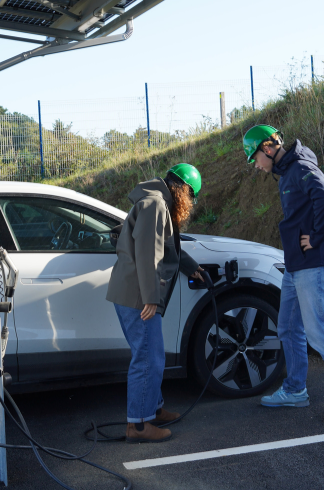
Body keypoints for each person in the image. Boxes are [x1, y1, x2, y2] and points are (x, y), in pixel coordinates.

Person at [242, 124, 324, 423]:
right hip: (296, 264)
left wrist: (317, 237)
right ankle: (295, 390)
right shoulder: (287, 172)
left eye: (255, 158)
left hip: (313, 262)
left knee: (318, 330)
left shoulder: (300, 168)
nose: (256, 165)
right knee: (287, 327)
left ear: (268, 148)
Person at [106, 163, 206, 443]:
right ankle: (138, 425)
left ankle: (153, 408)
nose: (190, 204)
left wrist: (191, 266)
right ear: (183, 190)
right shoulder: (156, 204)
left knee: (151, 355)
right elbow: (148, 251)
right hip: (138, 295)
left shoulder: (155, 200)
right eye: (191, 197)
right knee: (148, 358)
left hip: (133, 291)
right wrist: (150, 297)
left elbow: (165, 244)